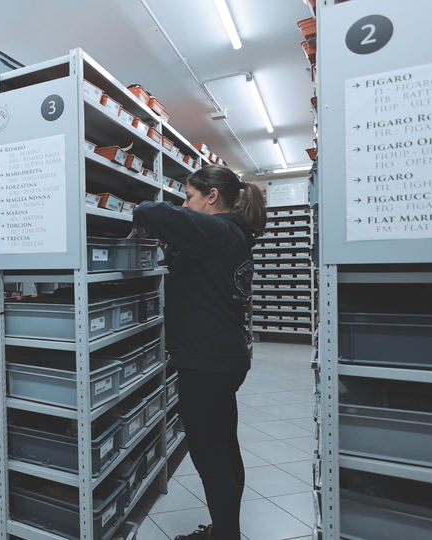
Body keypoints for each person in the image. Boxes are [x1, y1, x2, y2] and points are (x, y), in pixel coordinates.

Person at [130, 165, 266, 540]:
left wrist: (140, 209)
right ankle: (225, 530)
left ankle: (225, 536)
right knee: (225, 448)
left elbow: (152, 212)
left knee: (210, 457)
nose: (185, 205)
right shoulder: (233, 234)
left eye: (189, 197)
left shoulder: (219, 230)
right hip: (223, 357)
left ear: (212, 196)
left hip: (207, 362)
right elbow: (205, 275)